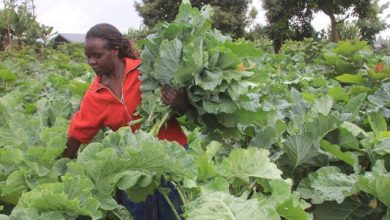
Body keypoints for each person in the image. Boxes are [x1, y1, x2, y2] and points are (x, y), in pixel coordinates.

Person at [62, 23, 188, 219]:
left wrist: (180, 103)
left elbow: (182, 110)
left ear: (115, 51)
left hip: (170, 158)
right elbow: (77, 135)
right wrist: (60, 170)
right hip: (132, 170)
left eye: (97, 55)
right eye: (88, 56)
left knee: (176, 214)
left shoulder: (147, 70)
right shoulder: (95, 94)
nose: (91, 62)